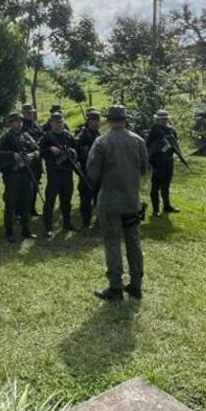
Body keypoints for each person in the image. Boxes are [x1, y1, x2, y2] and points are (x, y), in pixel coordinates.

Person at [86, 104, 148, 301]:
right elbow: (144, 168)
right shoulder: (138, 141)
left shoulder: (102, 142)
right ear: (125, 119)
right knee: (133, 242)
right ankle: (136, 285)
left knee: (112, 243)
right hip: (132, 201)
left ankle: (115, 288)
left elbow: (92, 173)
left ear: (110, 120)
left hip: (110, 202)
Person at [0, 111, 39, 242]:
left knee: (26, 201)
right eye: (15, 122)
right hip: (13, 174)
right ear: (10, 123)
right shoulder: (6, 136)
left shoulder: (26, 135)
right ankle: (9, 231)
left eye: (20, 121)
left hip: (26, 173)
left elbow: (37, 149)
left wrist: (32, 155)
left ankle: (26, 230)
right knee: (11, 203)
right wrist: (13, 155)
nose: (18, 124)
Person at [40, 112, 79, 236]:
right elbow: (39, 153)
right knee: (50, 200)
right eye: (55, 122)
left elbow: (76, 150)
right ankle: (48, 227)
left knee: (66, 199)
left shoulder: (68, 136)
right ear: (51, 123)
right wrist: (50, 149)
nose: (58, 125)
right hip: (54, 172)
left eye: (60, 122)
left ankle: (67, 223)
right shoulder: (47, 137)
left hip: (67, 172)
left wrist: (71, 152)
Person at [145, 109, 181, 216]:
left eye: (165, 118)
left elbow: (175, 144)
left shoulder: (171, 130)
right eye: (162, 119)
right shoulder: (154, 131)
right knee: (156, 185)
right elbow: (149, 146)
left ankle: (167, 206)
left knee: (166, 184)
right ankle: (156, 210)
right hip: (158, 160)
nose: (164, 121)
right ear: (157, 119)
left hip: (169, 160)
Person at [75, 108, 102, 227]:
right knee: (86, 199)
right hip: (86, 171)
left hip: (99, 172)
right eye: (93, 120)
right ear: (89, 121)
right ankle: (86, 223)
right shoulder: (82, 135)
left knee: (99, 197)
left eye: (97, 120)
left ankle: (98, 222)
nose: (96, 123)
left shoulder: (99, 135)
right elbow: (77, 152)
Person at [20, 104, 44, 216]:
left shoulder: (36, 124)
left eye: (31, 112)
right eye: (28, 112)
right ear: (23, 113)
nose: (30, 114)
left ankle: (32, 208)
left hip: (36, 159)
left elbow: (42, 136)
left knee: (35, 185)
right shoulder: (21, 125)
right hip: (26, 159)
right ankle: (20, 210)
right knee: (25, 187)